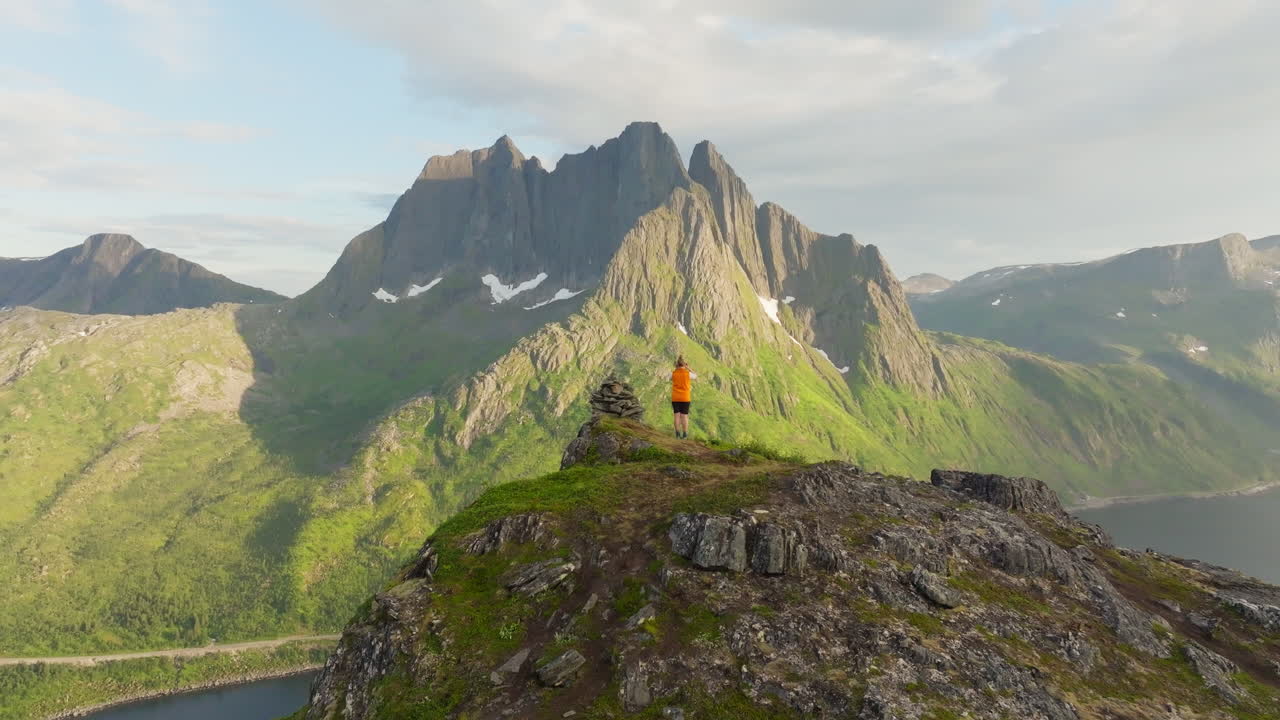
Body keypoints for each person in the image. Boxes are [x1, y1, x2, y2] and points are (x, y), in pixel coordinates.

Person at [671, 355, 695, 439]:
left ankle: (677, 434)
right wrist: (688, 368)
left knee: (676, 415)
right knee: (684, 416)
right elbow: (695, 375)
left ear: (677, 365)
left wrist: (676, 368)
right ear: (684, 364)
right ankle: (684, 434)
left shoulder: (673, 373)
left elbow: (671, 377)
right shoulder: (688, 374)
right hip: (685, 397)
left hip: (675, 397)